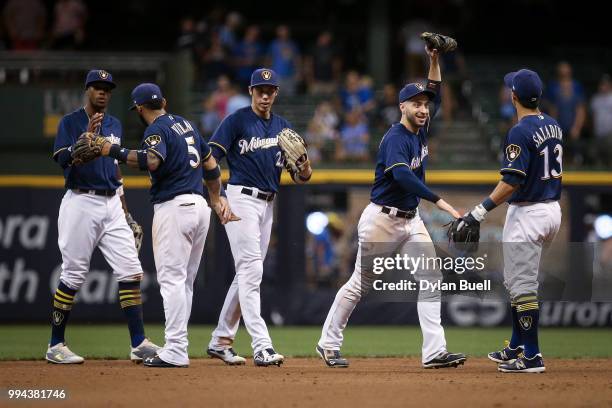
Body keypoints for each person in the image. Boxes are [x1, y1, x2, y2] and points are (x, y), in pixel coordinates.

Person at [316, 46, 466, 369]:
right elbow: (401, 175)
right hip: (382, 221)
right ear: (402, 107)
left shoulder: (421, 127)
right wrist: (440, 201)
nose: (424, 109)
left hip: (411, 221)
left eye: (425, 104)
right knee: (359, 284)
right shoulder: (395, 138)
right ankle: (328, 344)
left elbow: (436, 89)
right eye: (417, 104)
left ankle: (434, 352)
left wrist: (434, 60)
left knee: (431, 278)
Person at [83, 83, 239, 368]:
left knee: (172, 282)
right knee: (185, 283)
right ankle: (178, 345)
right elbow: (211, 165)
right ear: (164, 101)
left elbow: (151, 160)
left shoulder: (156, 130)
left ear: (139, 109)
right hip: (200, 209)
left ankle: (176, 349)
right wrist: (216, 198)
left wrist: (110, 149)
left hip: (174, 208)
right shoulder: (187, 125)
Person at [47, 70, 160, 364]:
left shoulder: (114, 124)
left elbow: (115, 169)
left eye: (107, 89)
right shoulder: (70, 122)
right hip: (80, 201)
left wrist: (125, 211)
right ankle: (55, 344)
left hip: (111, 204)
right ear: (87, 90)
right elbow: (61, 159)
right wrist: (79, 144)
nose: (103, 93)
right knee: (73, 273)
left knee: (131, 271)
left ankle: (138, 342)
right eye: (97, 87)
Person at [207, 68, 313, 366]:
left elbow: (303, 175)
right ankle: (262, 345)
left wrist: (304, 165)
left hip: (268, 203)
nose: (265, 95)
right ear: (251, 92)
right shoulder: (237, 120)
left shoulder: (283, 127)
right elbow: (210, 156)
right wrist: (218, 196)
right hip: (240, 198)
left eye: (270, 90)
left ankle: (220, 340)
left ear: (276, 93)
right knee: (252, 272)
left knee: (248, 273)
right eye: (259, 90)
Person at [459, 69, 562, 373]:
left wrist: (479, 210)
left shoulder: (519, 131)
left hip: (529, 212)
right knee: (515, 282)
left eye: (510, 90)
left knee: (523, 287)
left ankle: (532, 356)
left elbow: (512, 181)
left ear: (514, 96)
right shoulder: (554, 124)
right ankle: (517, 345)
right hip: (551, 208)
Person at [589, 74, 612, 166]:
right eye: (602, 84)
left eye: (605, 84)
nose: (603, 86)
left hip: (610, 134)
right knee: (594, 155)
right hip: (597, 134)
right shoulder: (595, 99)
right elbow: (593, 116)